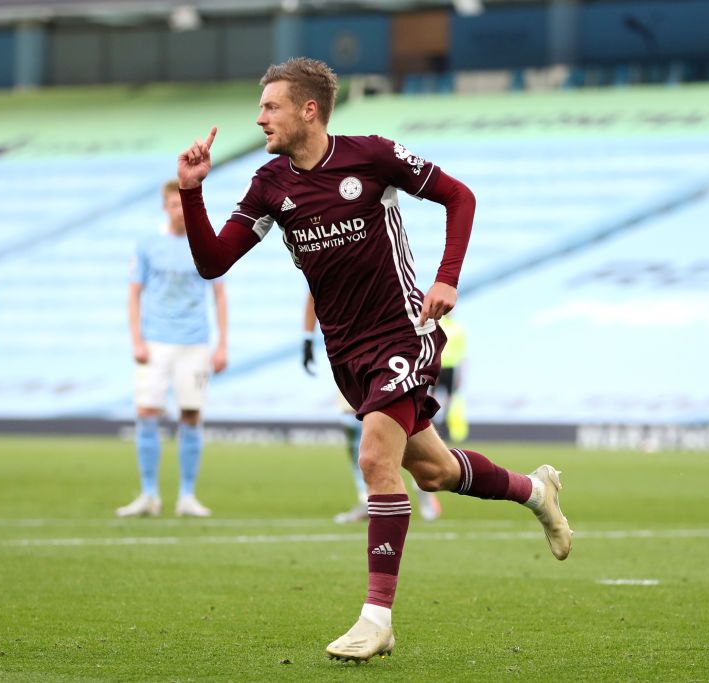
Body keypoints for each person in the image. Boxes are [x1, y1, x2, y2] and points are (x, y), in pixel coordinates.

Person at [176, 57, 572, 661]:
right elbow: (212, 262)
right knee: (435, 471)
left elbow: (459, 197)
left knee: (372, 459)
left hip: (401, 333)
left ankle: (376, 619)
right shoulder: (269, 185)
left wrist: (446, 279)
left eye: (270, 106)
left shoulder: (373, 156)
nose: (259, 119)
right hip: (345, 351)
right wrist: (193, 190)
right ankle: (536, 494)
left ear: (309, 110)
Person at [117, 180, 229, 519]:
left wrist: (222, 343)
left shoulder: (204, 243)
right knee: (147, 412)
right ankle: (150, 494)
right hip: (156, 340)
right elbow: (134, 293)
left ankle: (187, 496)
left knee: (191, 414)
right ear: (165, 207)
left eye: (184, 204)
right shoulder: (149, 245)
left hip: (194, 342)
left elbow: (219, 295)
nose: (180, 210)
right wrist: (136, 339)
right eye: (174, 204)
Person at [302, 293, 441, 524]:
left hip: (386, 347)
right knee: (351, 423)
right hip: (347, 351)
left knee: (393, 425)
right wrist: (307, 337)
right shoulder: (321, 259)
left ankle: (422, 483)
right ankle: (366, 497)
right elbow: (314, 290)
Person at [430, 314, 469, 442]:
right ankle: (433, 423)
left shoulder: (458, 329)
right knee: (433, 396)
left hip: (451, 367)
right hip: (437, 365)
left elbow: (462, 353)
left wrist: (460, 373)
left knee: (449, 398)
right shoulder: (436, 326)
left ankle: (445, 424)